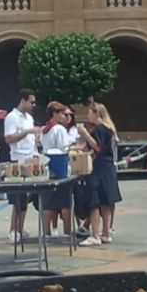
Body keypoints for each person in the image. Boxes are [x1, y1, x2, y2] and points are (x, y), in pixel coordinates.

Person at [79, 101, 123, 245]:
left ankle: (95, 235)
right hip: (108, 167)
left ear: (96, 113)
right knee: (106, 201)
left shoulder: (99, 128)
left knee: (95, 201)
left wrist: (85, 134)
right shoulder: (109, 128)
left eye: (89, 113)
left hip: (99, 168)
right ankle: (105, 233)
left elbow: (98, 148)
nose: (87, 116)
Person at [2, 89, 41, 243]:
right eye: (31, 102)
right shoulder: (12, 117)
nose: (33, 105)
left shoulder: (29, 118)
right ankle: (13, 229)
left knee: (27, 196)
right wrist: (27, 132)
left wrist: (36, 152)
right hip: (18, 159)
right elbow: (8, 138)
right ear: (23, 100)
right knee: (18, 196)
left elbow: (32, 140)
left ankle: (20, 227)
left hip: (30, 158)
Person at [38, 101, 74, 239]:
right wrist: (72, 145)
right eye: (62, 114)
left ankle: (47, 232)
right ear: (54, 114)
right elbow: (63, 146)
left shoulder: (45, 129)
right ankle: (67, 232)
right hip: (60, 164)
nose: (65, 116)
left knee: (48, 201)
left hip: (48, 164)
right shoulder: (59, 129)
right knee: (65, 202)